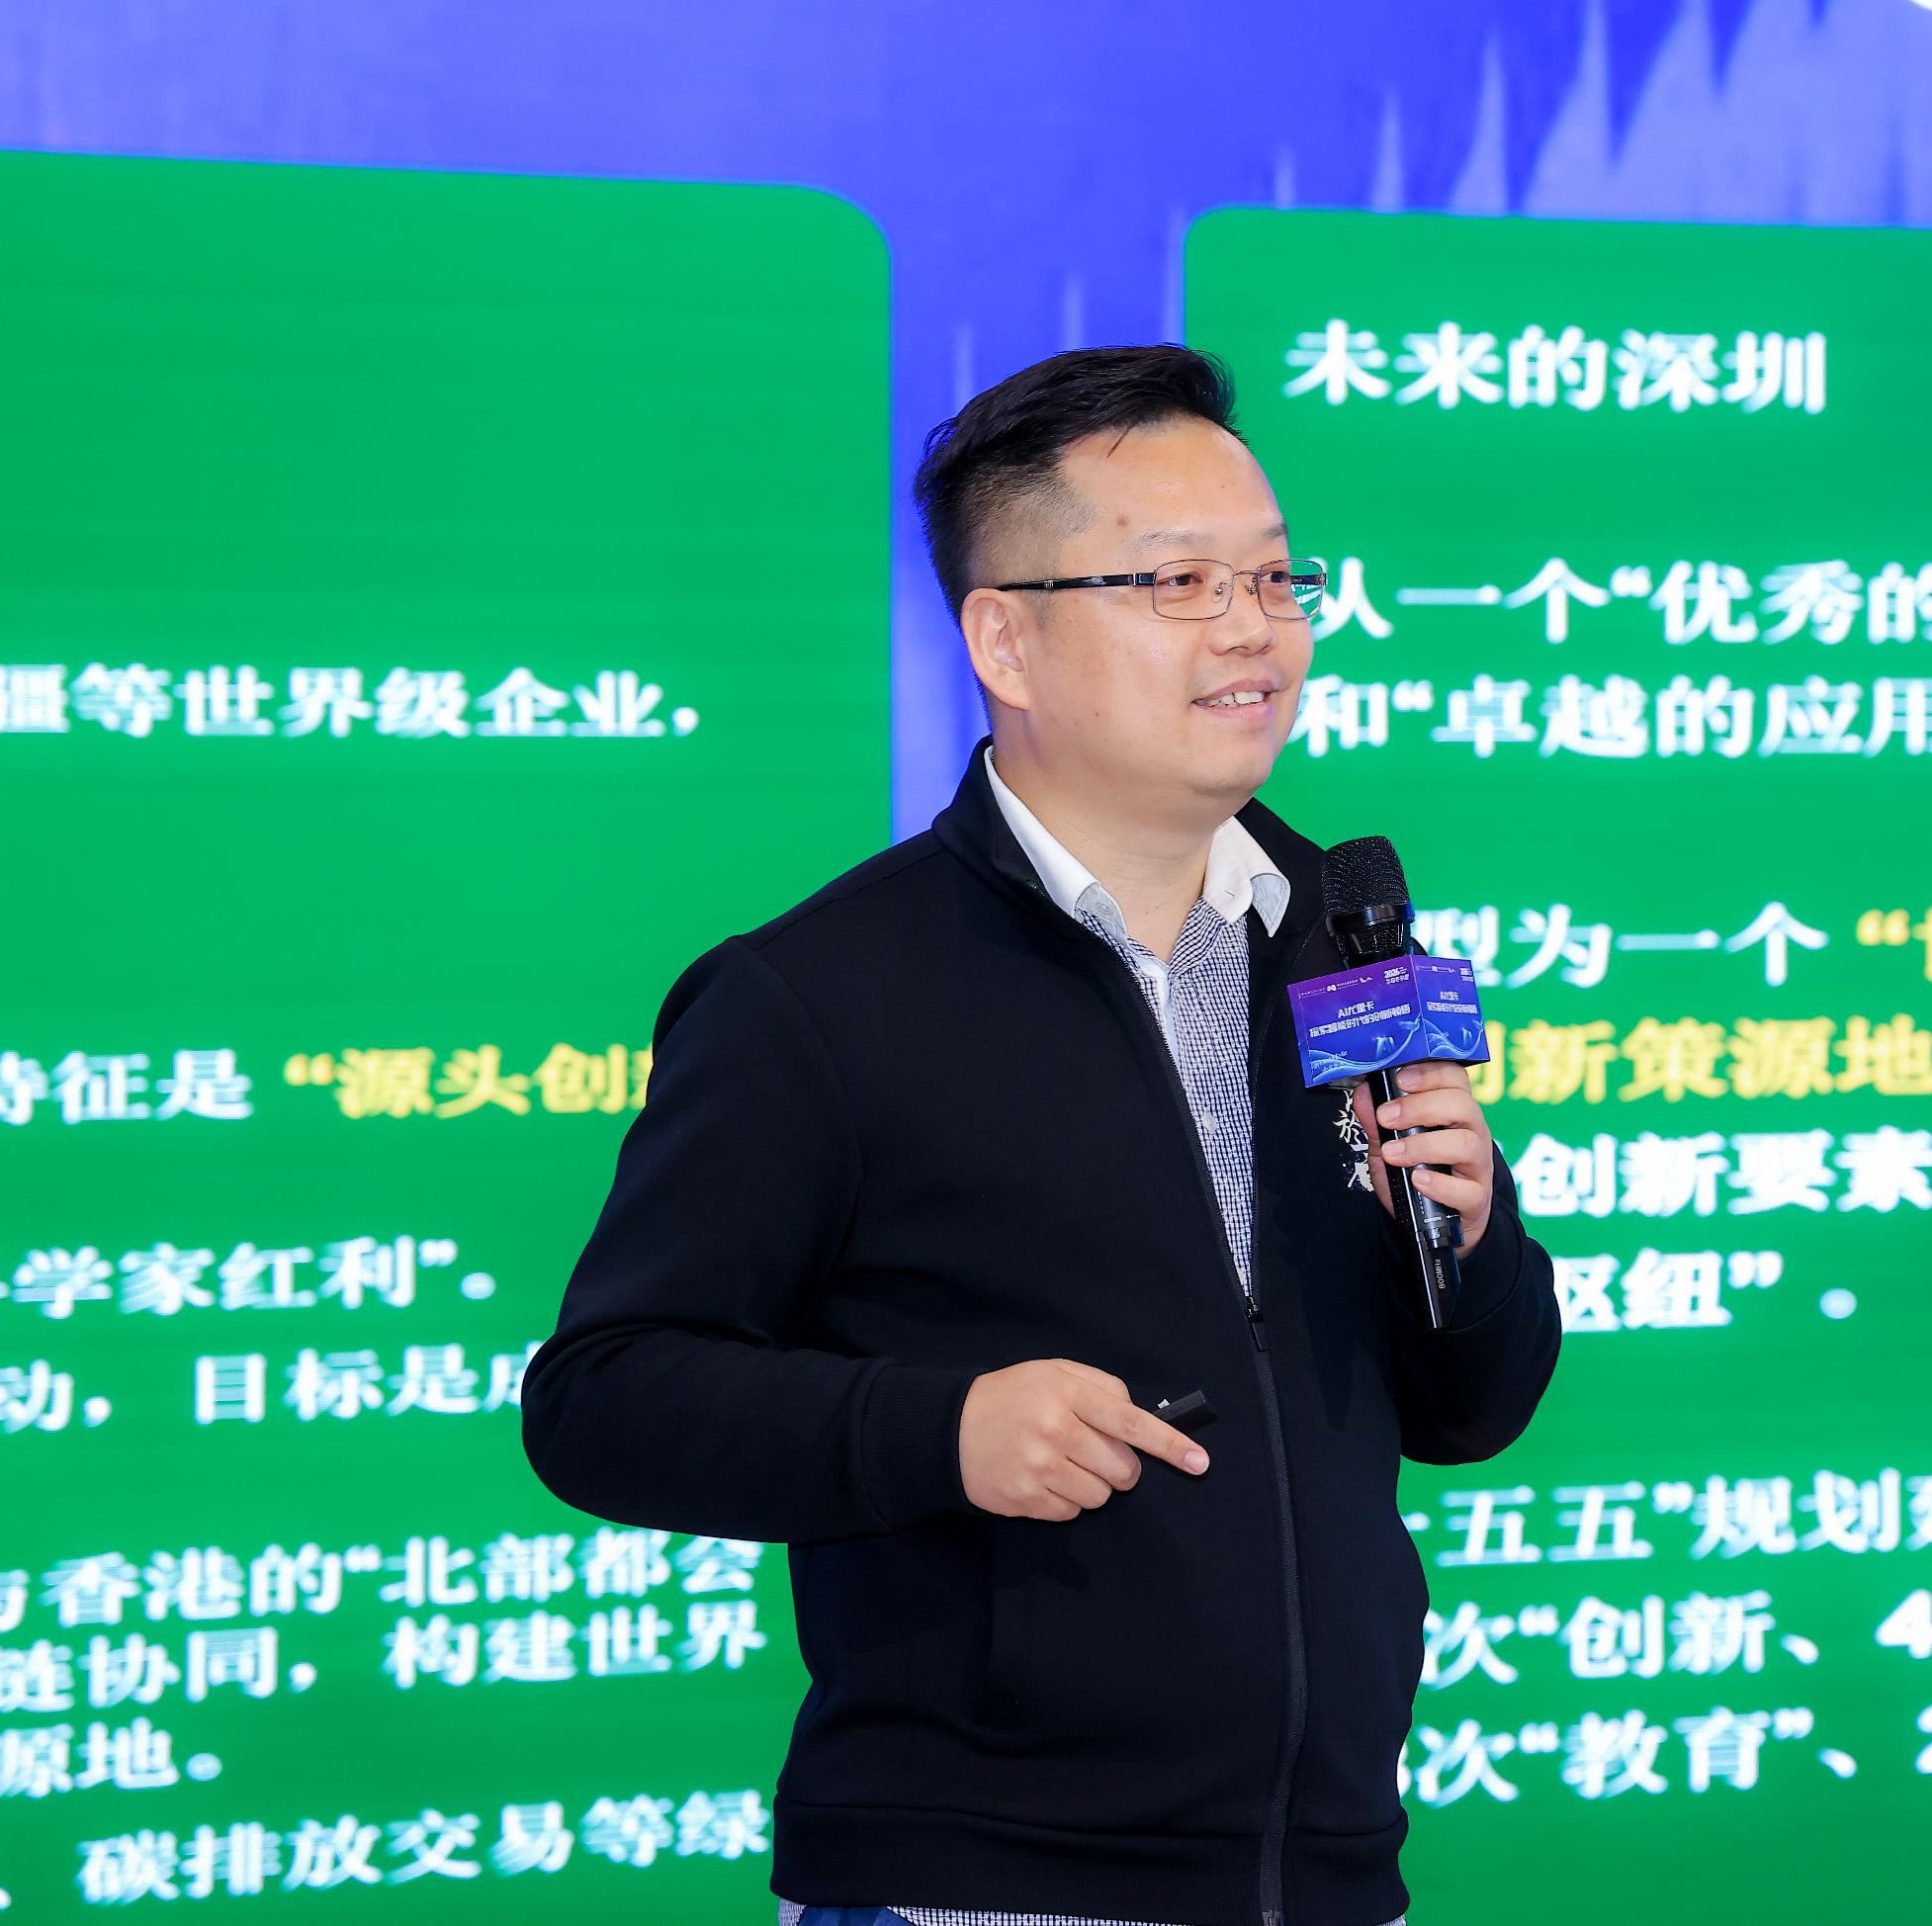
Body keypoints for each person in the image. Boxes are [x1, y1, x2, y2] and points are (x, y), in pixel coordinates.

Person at [522, 344, 1561, 1926]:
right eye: (1180, 581)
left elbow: (1469, 1409)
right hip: (978, 1883)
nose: (1253, 629)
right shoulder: (819, 994)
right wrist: (939, 1429)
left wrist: (1472, 1242)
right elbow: (601, 1397)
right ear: (1004, 637)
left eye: (1276, 579)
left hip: (1332, 1877)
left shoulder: (1344, 942)